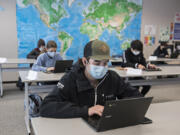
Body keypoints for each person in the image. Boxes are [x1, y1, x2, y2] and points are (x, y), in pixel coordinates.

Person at [40, 39, 142, 118]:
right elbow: (46, 107)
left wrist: (114, 109)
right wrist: (86, 111)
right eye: (97, 62)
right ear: (85, 61)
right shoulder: (70, 79)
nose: (102, 67)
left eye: (105, 63)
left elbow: (137, 97)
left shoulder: (112, 77)